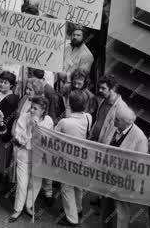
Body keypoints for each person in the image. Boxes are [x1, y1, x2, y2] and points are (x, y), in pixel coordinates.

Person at [100, 106, 148, 228]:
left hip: (124, 181)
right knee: (106, 207)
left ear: (126, 122)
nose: (113, 121)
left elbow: (140, 165)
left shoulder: (140, 138)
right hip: (107, 177)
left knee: (121, 211)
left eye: (117, 119)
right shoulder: (114, 126)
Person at [9, 96, 54, 222]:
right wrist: (29, 128)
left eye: (35, 108)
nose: (32, 110)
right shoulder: (24, 117)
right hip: (24, 154)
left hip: (39, 157)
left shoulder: (48, 121)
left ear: (43, 110)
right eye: (31, 107)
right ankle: (17, 209)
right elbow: (19, 139)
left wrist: (38, 129)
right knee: (22, 184)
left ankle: (28, 206)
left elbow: (48, 140)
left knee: (35, 184)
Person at [55, 90, 93, 226]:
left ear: (70, 104)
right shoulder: (89, 117)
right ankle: (78, 209)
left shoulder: (65, 122)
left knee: (66, 188)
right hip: (83, 158)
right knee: (78, 186)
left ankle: (72, 218)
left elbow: (54, 135)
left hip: (68, 160)